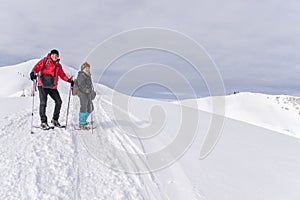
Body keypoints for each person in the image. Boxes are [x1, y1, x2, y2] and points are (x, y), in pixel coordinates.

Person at [30, 49, 74, 129]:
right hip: (42, 85)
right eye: (53, 54)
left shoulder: (58, 66)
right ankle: (43, 122)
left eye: (56, 55)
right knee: (43, 103)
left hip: (52, 87)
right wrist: (33, 73)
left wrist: (68, 80)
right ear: (50, 55)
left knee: (59, 102)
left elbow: (62, 75)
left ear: (58, 57)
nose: (55, 56)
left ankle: (55, 120)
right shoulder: (45, 61)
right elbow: (37, 67)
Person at [76, 62, 96, 129]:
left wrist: (91, 91)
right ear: (83, 68)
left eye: (88, 67)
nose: (87, 69)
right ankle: (81, 123)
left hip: (88, 93)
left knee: (91, 107)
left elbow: (90, 85)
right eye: (86, 67)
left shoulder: (88, 75)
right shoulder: (81, 75)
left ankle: (83, 121)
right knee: (84, 107)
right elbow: (81, 85)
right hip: (82, 93)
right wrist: (86, 90)